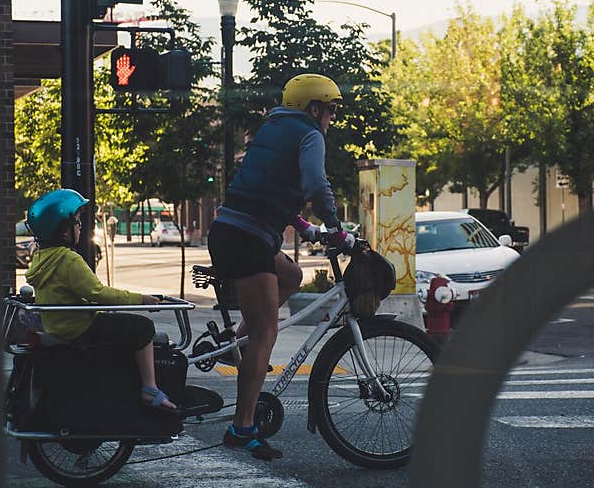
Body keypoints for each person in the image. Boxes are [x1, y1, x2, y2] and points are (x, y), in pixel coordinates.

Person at [207, 73, 356, 460]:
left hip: (232, 231)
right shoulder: (309, 134)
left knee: (291, 275)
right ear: (313, 108)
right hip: (248, 239)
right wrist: (336, 228)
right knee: (266, 335)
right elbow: (315, 184)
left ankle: (232, 345)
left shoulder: (272, 129)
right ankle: (241, 428)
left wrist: (305, 227)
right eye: (330, 109)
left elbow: (268, 187)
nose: (332, 118)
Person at [24, 189, 176, 412]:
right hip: (80, 327)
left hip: (59, 326)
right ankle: (149, 388)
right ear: (64, 232)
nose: (80, 227)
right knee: (143, 326)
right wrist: (140, 299)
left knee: (117, 324)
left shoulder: (41, 257)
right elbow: (99, 293)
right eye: (76, 222)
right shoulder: (68, 259)